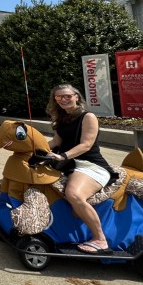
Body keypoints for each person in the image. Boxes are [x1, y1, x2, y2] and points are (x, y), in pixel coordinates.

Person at [45, 83, 116, 254]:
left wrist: (63, 156)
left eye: (68, 96)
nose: (64, 99)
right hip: (70, 165)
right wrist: (32, 148)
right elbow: (56, 142)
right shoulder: (61, 118)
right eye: (59, 97)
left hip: (90, 165)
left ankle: (100, 239)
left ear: (77, 96)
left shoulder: (88, 116)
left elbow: (86, 145)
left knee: (74, 194)